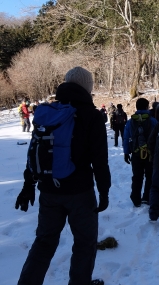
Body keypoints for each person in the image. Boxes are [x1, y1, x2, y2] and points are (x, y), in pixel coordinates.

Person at [15, 66, 111, 285]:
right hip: (80, 193)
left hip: (48, 189)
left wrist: (28, 184)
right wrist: (104, 190)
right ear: (88, 87)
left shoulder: (49, 112)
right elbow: (99, 160)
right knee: (85, 244)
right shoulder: (92, 116)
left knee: (44, 242)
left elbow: (35, 151)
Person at [123, 98, 157, 207]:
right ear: (147, 107)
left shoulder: (130, 121)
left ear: (136, 107)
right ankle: (146, 197)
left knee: (137, 176)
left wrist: (126, 152)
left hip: (136, 153)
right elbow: (158, 137)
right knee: (149, 176)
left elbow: (126, 137)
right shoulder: (152, 121)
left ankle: (135, 198)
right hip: (150, 154)